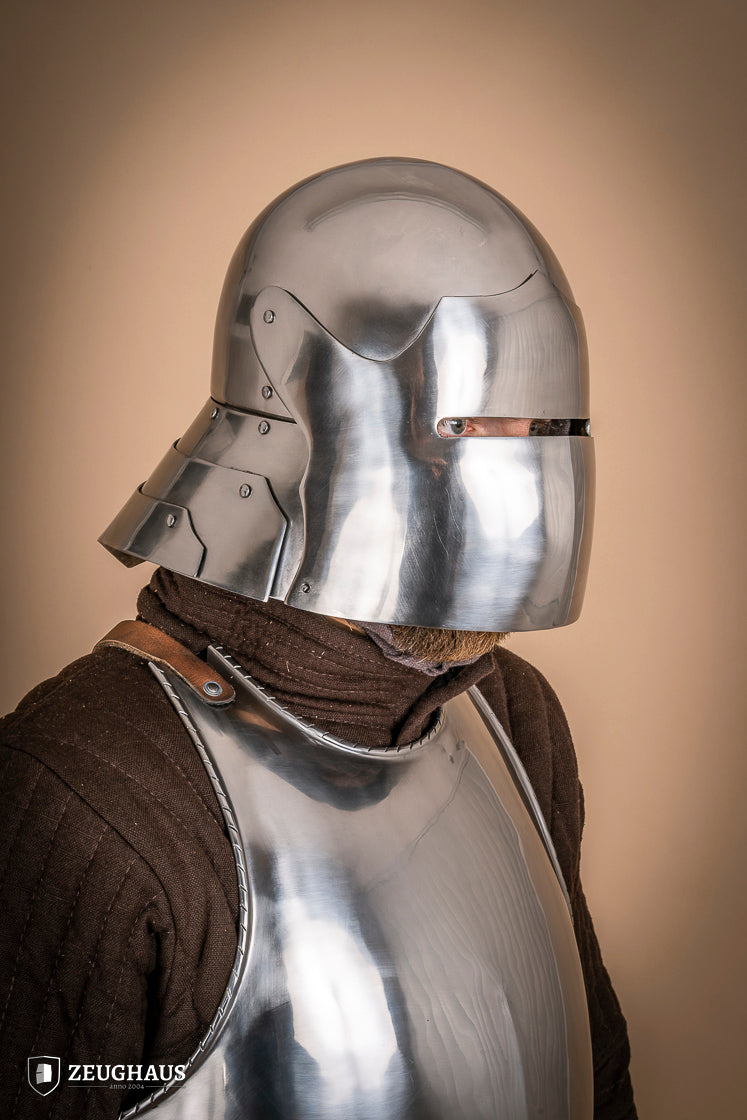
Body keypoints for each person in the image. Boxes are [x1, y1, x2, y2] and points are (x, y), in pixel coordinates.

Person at [0, 158, 636, 1119]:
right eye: (483, 424)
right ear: (314, 429)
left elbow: (596, 1080)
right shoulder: (84, 788)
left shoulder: (509, 714)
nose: (533, 460)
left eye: (552, 424)